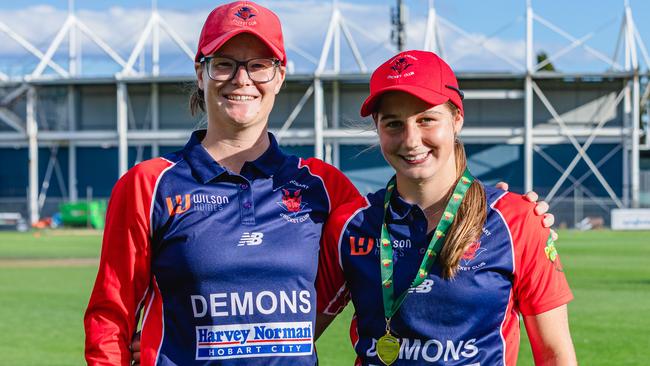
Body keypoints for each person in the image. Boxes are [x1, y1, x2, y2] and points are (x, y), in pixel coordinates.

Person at [85, 2, 556, 365]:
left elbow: (414, 217)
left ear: (280, 74)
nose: (241, 79)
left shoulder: (324, 189)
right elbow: (110, 319)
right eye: (225, 63)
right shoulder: (150, 185)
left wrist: (522, 219)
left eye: (259, 64)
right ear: (201, 70)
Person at [316, 50, 576, 365]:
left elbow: (554, 354)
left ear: (456, 119)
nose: (411, 140)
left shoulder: (517, 220)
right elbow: (292, 338)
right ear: (377, 127)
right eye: (394, 124)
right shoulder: (351, 225)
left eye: (426, 119)